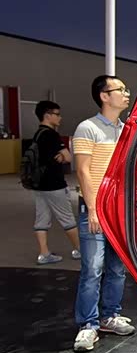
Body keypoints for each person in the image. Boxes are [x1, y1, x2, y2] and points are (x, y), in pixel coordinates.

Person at [71, 75, 135, 353]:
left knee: (117, 268)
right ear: (104, 96)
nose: (126, 93)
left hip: (118, 210)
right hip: (95, 210)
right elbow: (83, 171)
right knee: (93, 269)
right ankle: (88, 324)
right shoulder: (87, 128)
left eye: (126, 89)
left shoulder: (126, 130)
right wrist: (94, 210)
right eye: (120, 89)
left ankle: (110, 316)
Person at [30, 101, 81, 265]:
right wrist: (61, 157)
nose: (60, 118)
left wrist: (60, 157)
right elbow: (68, 157)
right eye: (57, 114)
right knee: (67, 218)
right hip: (54, 184)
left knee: (41, 220)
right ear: (47, 115)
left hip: (39, 184)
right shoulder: (51, 135)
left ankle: (44, 253)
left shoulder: (37, 134)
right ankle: (79, 250)